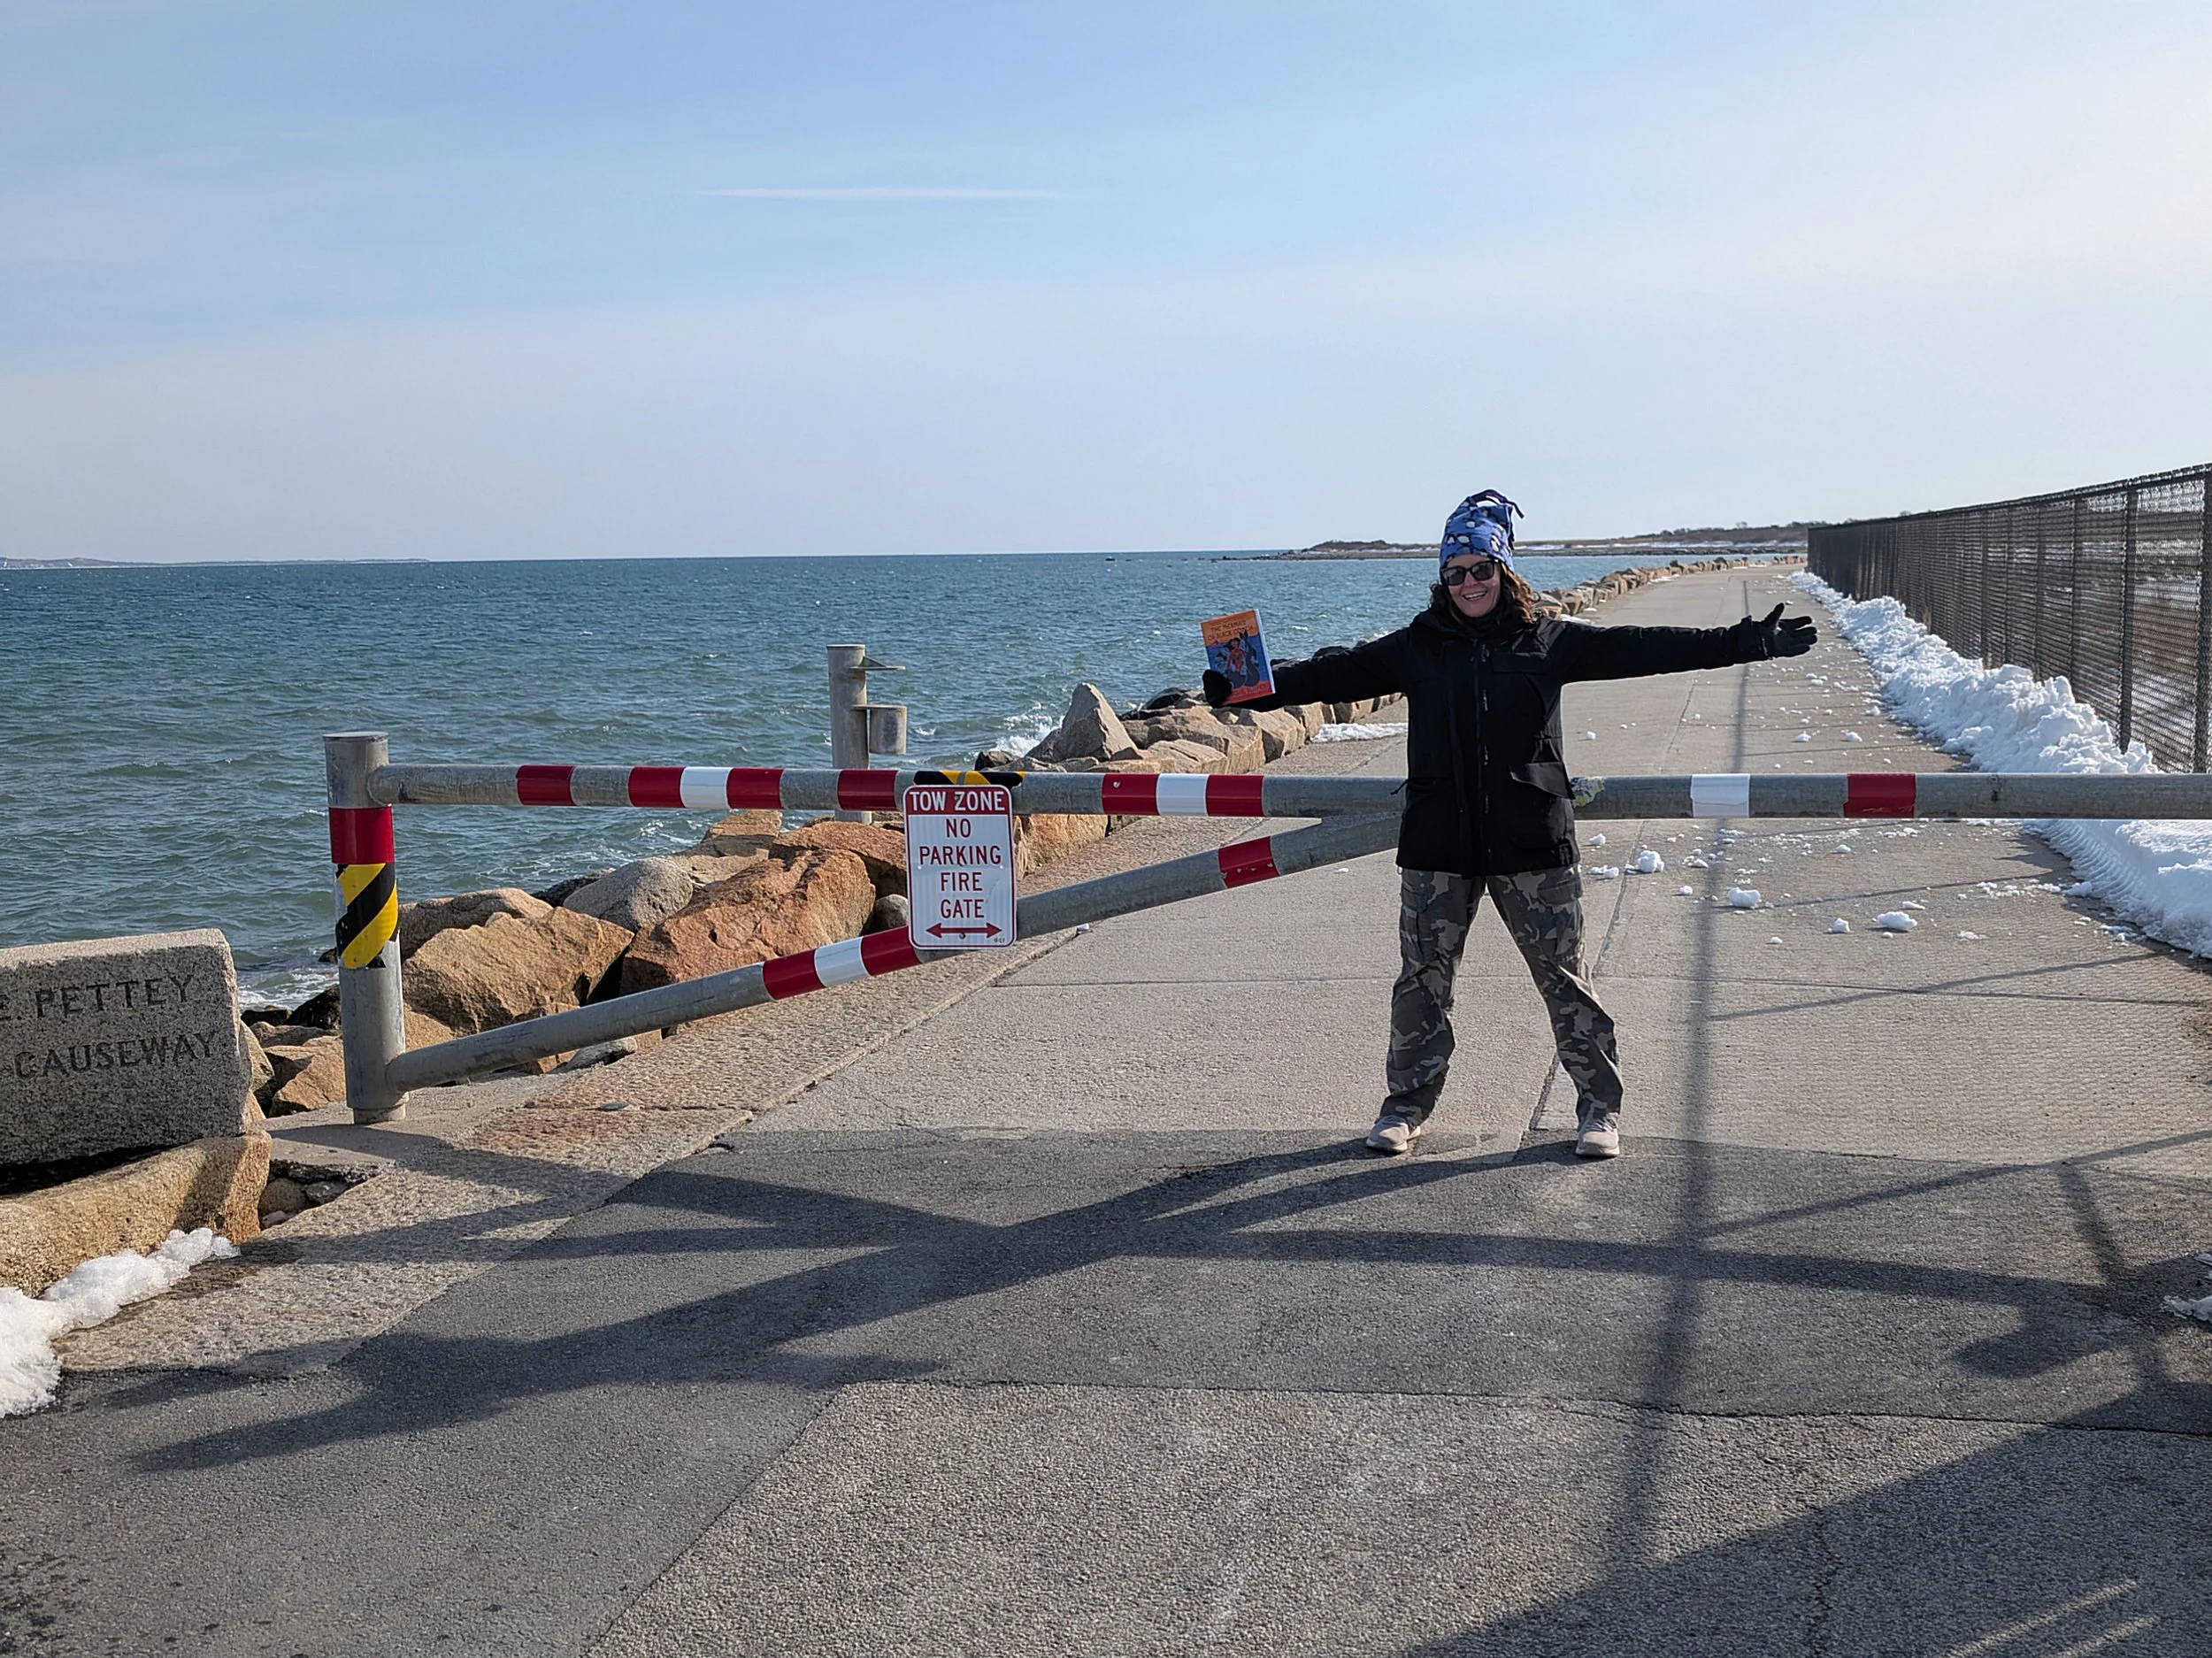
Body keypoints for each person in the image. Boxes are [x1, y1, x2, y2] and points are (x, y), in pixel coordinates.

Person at [1204, 490, 1816, 1159]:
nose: (1469, 583)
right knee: (1421, 983)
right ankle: (1404, 1108)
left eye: (1481, 569)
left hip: (1532, 841)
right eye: (1455, 572)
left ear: (1504, 570)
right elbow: (1332, 675)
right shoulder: (1418, 646)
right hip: (1439, 842)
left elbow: (1646, 648)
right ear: (1442, 578)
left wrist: (1749, 641)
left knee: (1565, 980)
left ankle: (1599, 1110)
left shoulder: (1550, 641)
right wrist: (1247, 688)